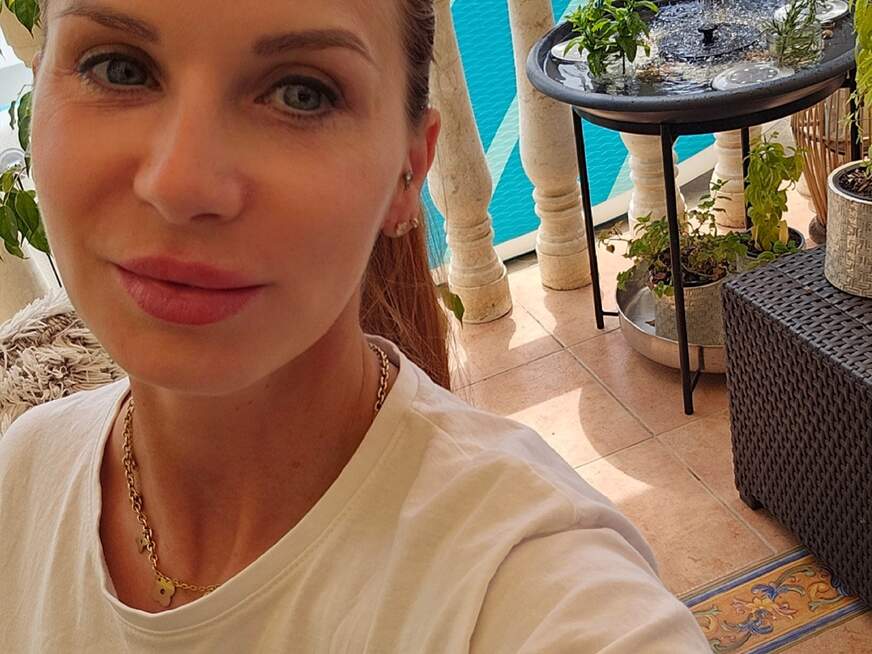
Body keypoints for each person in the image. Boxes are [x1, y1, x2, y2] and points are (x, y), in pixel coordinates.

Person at [0, 0, 711, 651]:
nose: (180, 184)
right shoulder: (23, 472)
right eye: (117, 68)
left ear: (410, 170)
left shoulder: (532, 583)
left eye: (300, 93)